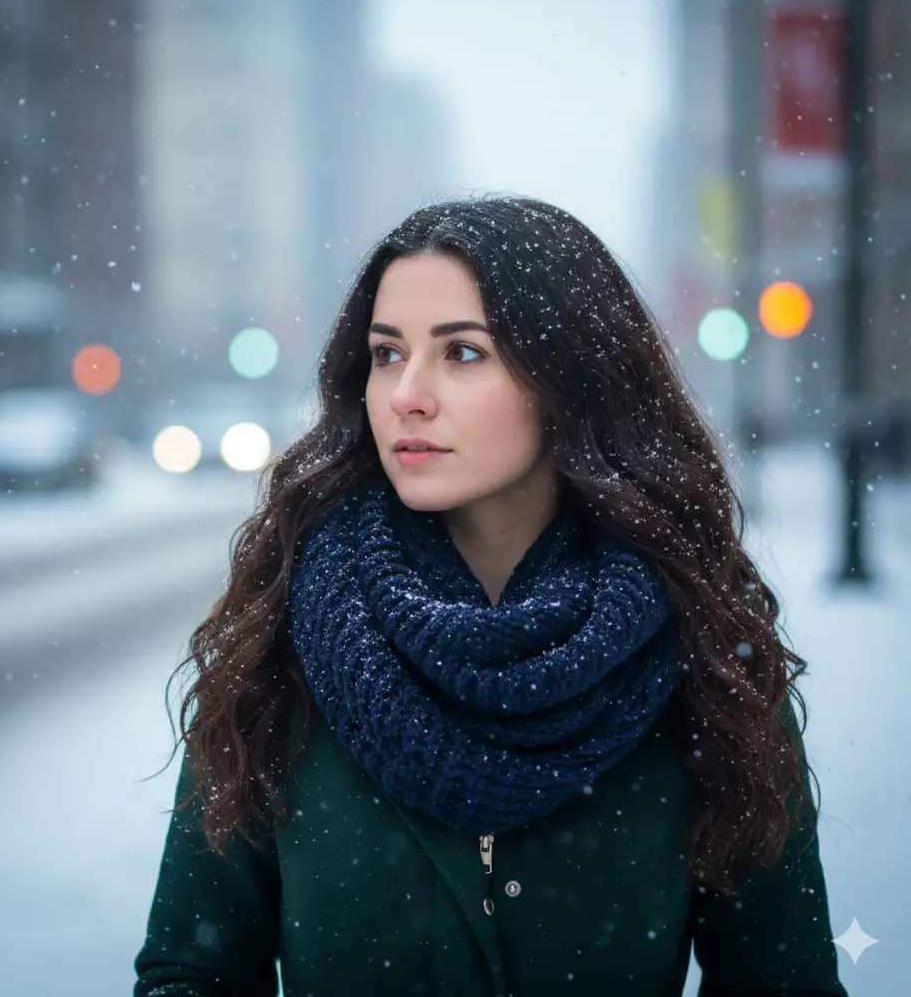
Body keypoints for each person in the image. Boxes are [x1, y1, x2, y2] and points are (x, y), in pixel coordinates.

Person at [132, 196, 849, 996]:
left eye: (463, 354)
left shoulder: (700, 657)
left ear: (570, 381)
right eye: (385, 353)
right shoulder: (284, 642)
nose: (407, 393)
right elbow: (191, 975)